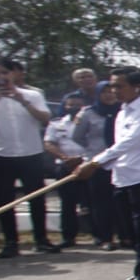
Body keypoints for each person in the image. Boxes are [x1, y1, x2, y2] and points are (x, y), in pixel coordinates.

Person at [75, 68, 140, 280]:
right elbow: (119, 147)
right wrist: (100, 164)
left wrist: (94, 163)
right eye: (112, 86)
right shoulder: (122, 112)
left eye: (119, 86)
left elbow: (129, 143)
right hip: (122, 176)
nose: (114, 91)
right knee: (128, 230)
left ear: (136, 87)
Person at [0, 58, 58, 257]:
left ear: (14, 73)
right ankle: (11, 242)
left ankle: (41, 239)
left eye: (6, 72)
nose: (3, 77)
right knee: (5, 200)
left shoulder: (32, 95)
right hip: (0, 154)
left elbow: (45, 118)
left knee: (37, 198)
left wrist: (22, 101)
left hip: (30, 153)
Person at [73, 80, 123, 250]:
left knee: (121, 202)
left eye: (112, 91)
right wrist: (92, 150)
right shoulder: (88, 113)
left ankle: (125, 236)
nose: (109, 95)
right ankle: (105, 237)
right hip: (97, 163)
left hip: (120, 162)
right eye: (104, 92)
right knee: (101, 203)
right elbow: (77, 136)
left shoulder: (123, 111)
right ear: (97, 94)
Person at [43, 93, 89, 247]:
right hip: (65, 166)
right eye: (71, 105)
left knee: (93, 203)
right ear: (65, 106)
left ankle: (101, 236)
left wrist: (82, 159)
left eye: (78, 105)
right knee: (67, 204)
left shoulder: (91, 121)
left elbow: (97, 143)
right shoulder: (57, 124)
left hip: (88, 165)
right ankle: (68, 237)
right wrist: (64, 158)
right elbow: (49, 143)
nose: (74, 108)